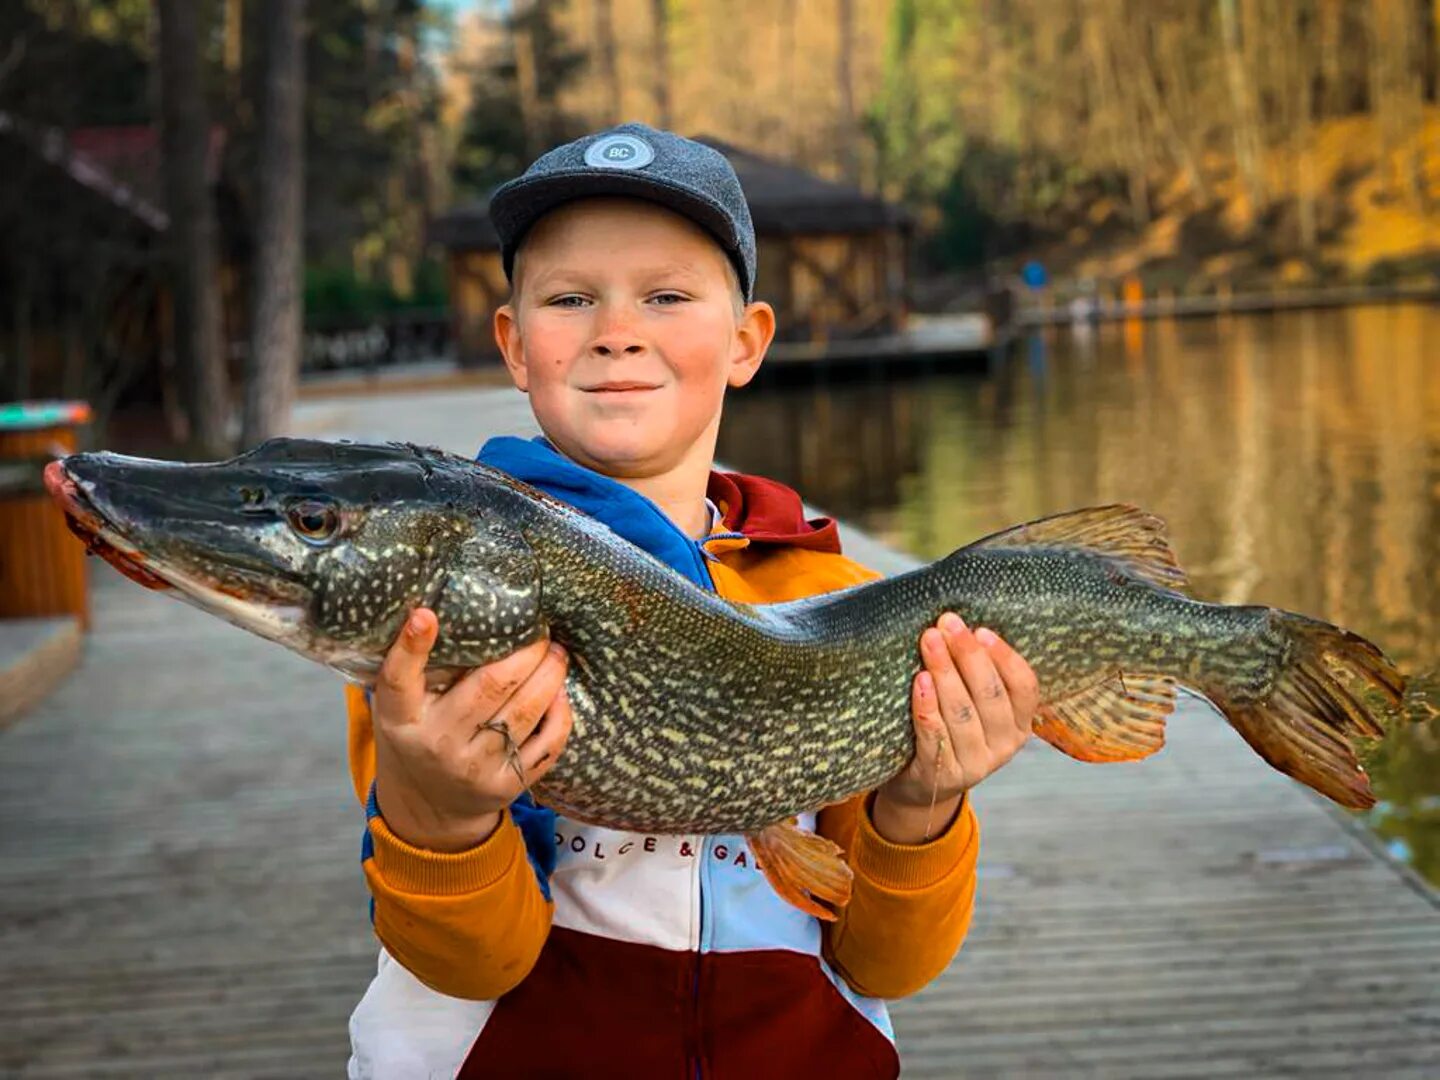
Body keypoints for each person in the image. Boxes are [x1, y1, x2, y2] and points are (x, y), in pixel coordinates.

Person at [345, 124, 1039, 1079]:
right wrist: (443, 812)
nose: (616, 328)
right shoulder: (440, 614)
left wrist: (923, 802)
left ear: (747, 341)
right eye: (569, 298)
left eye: (666, 296)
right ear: (514, 343)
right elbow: (474, 962)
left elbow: (886, 959)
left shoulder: (835, 595)